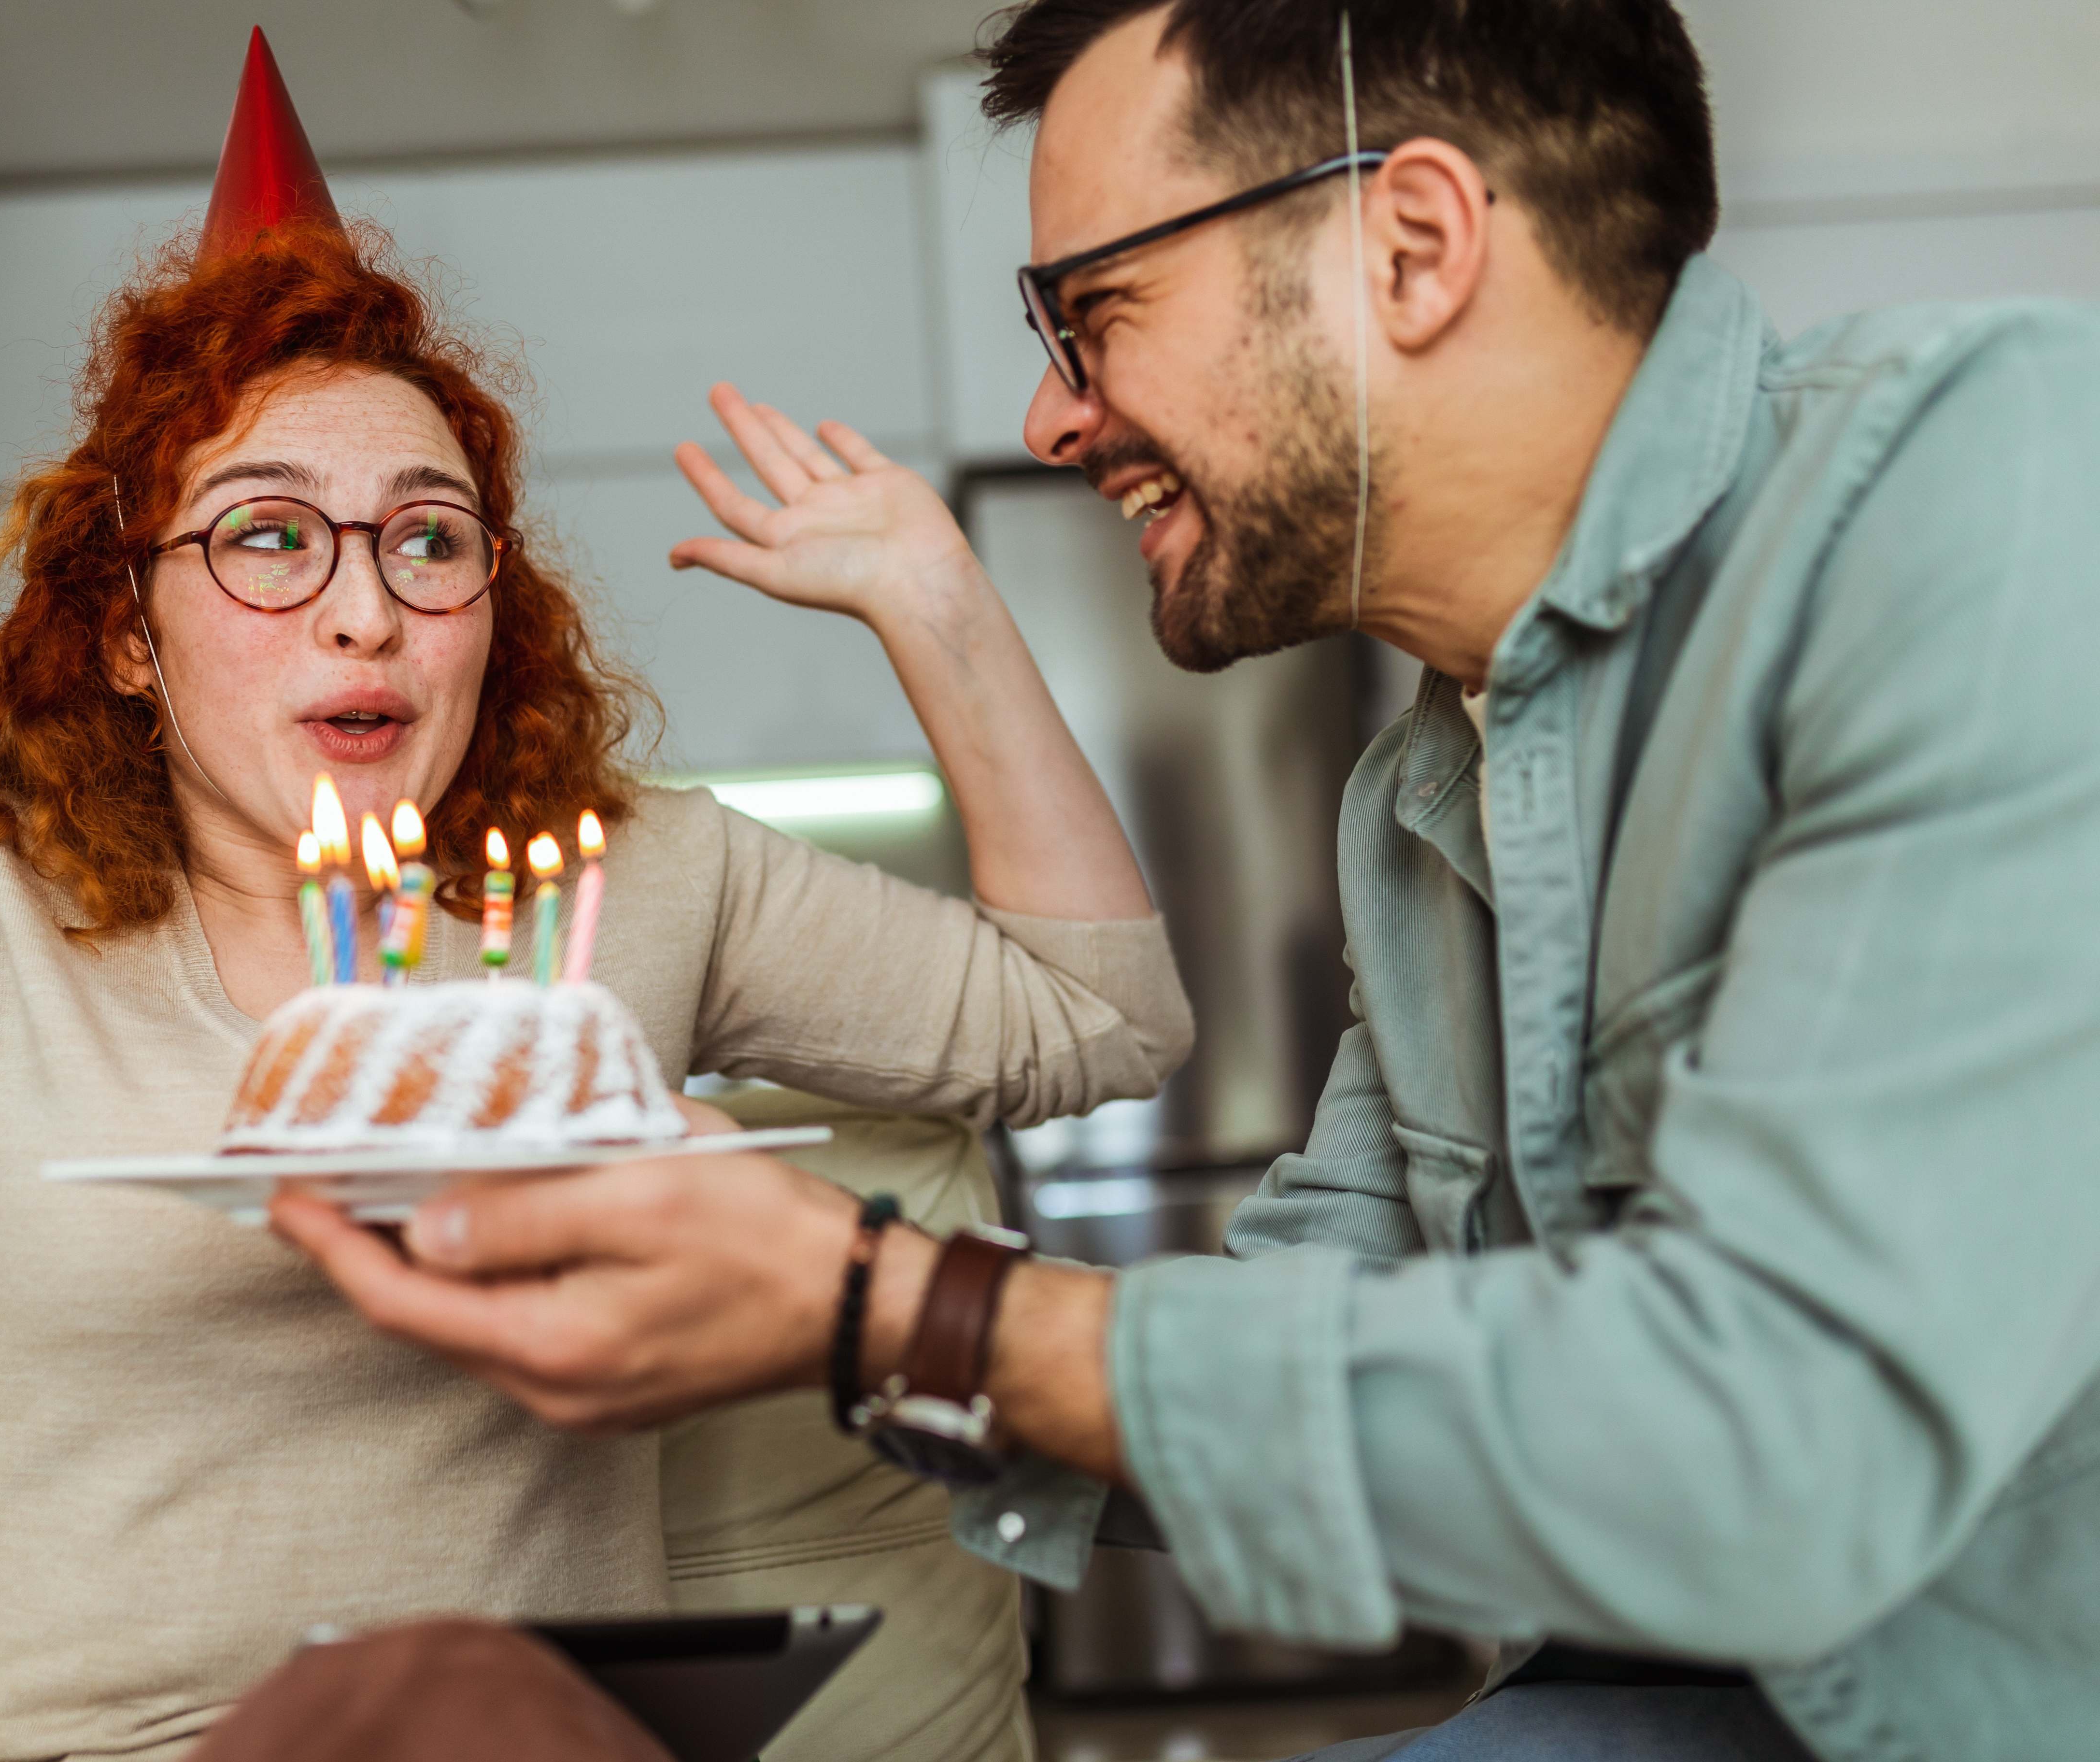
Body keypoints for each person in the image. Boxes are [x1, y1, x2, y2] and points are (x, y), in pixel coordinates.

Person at [274, 2, 2100, 1758]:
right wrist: (802, 1319)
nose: (1057, 418)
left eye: (1099, 313)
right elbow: (1313, 1325)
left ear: (1411, 245)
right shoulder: (1413, 795)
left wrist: (879, 1302)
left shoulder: (1991, 499)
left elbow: (1785, 1449)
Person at [0, 34, 1189, 1762]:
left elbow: (1103, 1021)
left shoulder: (636, 874)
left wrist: (938, 605)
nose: (365, 611)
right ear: (131, 633)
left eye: (428, 538)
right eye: (268, 536)